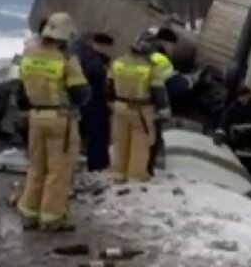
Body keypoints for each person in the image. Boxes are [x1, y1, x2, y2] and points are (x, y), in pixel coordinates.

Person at [15, 12, 90, 232]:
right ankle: (51, 217)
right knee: (58, 170)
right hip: (60, 119)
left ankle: (29, 212)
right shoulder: (65, 59)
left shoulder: (28, 54)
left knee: (37, 166)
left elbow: (20, 92)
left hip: (35, 117)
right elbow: (80, 93)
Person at [108, 33, 171, 183]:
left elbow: (108, 87)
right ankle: (136, 177)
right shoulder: (151, 67)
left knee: (120, 142)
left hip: (119, 107)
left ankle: (119, 174)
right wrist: (164, 110)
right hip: (142, 110)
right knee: (140, 145)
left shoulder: (118, 62)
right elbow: (157, 91)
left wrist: (112, 104)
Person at [76, 32, 115, 172]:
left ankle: (96, 164)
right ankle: (97, 165)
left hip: (87, 101)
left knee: (93, 134)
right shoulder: (96, 62)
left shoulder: (85, 56)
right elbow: (101, 84)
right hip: (95, 102)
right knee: (98, 134)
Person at [146, 26, 177, 176]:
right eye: (173, 45)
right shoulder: (163, 60)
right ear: (166, 43)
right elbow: (167, 86)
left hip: (139, 102)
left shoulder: (147, 55)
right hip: (153, 106)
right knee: (153, 138)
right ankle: (147, 170)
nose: (173, 49)